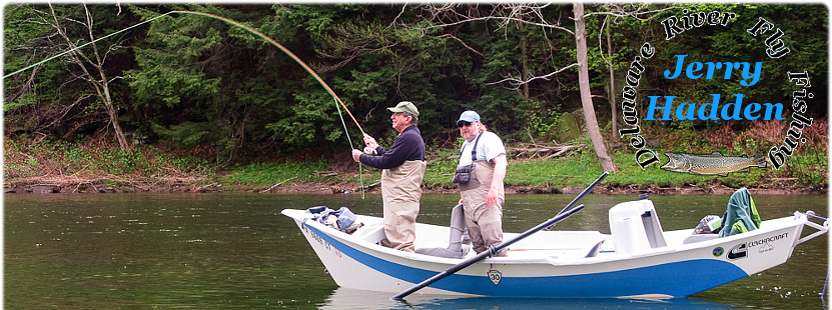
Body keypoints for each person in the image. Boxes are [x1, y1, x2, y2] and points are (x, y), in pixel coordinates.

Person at [351, 101, 426, 252]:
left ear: (407, 118)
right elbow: (393, 159)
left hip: (401, 198)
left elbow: (386, 162)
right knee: (395, 231)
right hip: (399, 197)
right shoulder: (409, 136)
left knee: (401, 240)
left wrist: (361, 157)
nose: (392, 117)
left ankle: (407, 270)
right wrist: (376, 147)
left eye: (396, 114)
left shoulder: (409, 137)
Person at [454, 110, 508, 257]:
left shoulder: (488, 139)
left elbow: (501, 163)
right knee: (478, 244)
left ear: (478, 124)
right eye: (461, 125)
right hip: (470, 204)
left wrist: (493, 191)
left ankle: (502, 270)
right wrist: (465, 196)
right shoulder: (465, 145)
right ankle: (483, 274)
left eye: (468, 124)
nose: (464, 127)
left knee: (494, 243)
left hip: (487, 201)